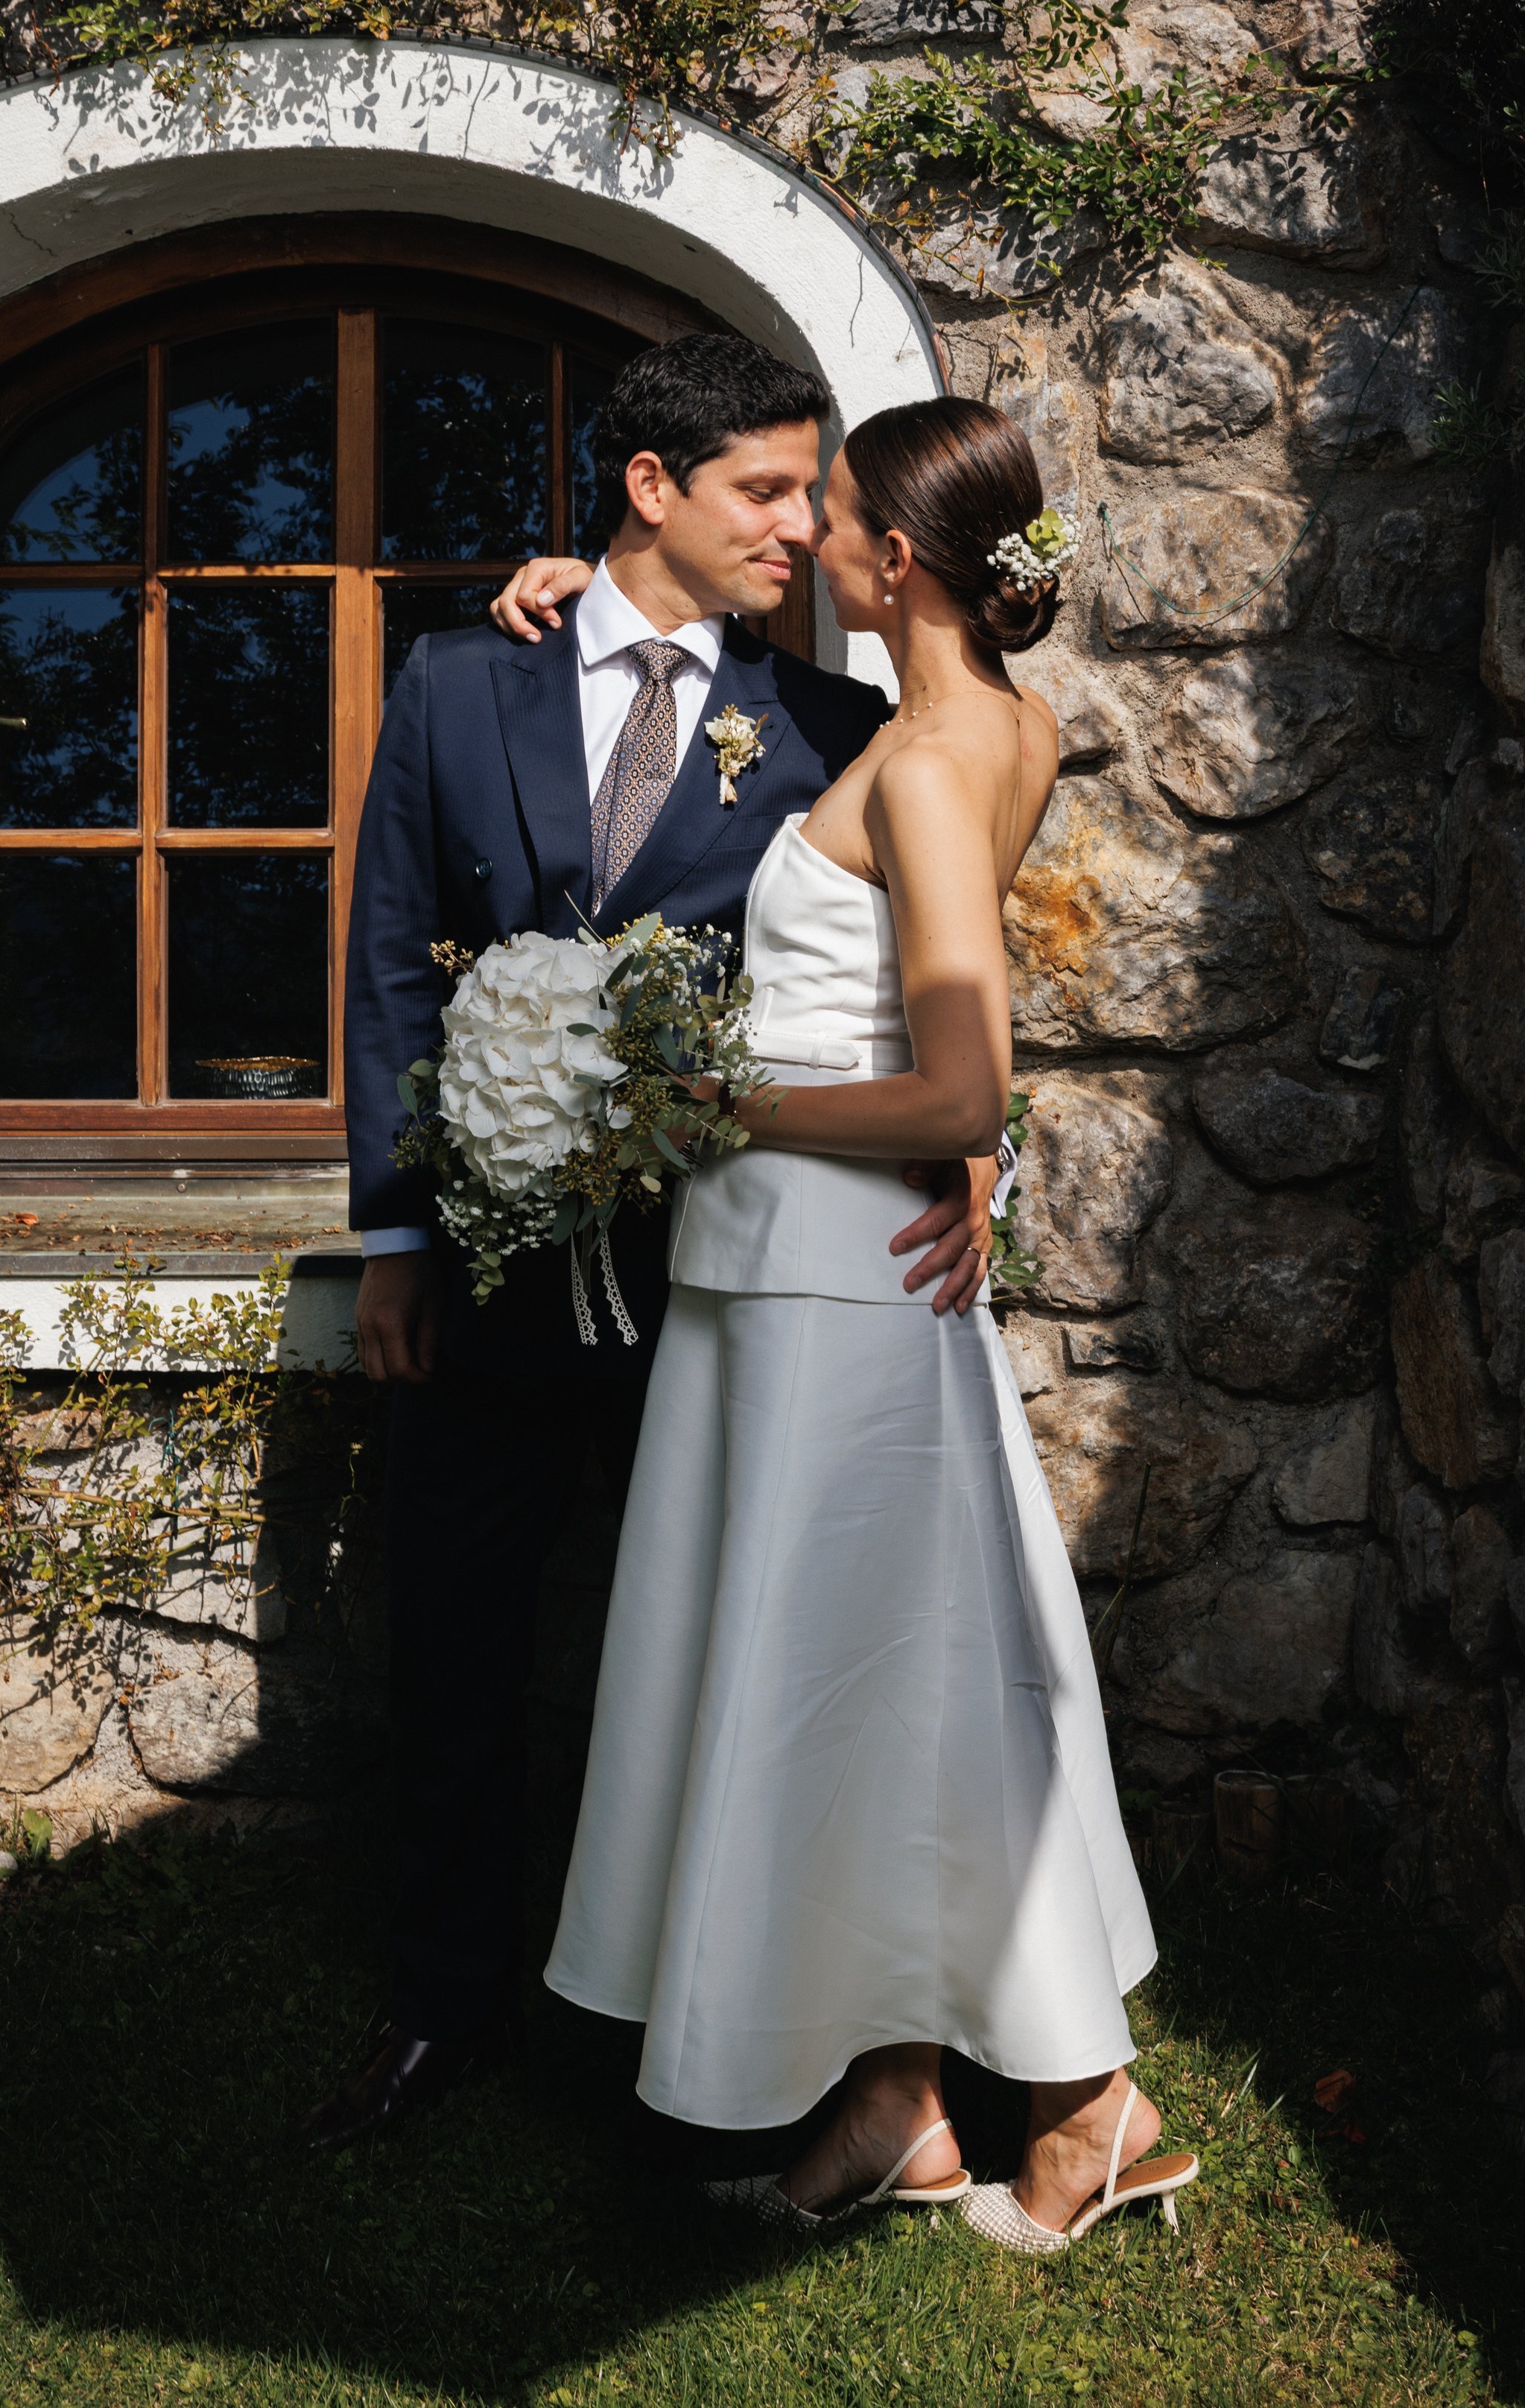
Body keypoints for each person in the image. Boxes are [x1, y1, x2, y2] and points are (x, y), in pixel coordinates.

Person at [517, 396, 1196, 2254]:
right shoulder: (1000, 725)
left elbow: (961, 1085)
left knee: (871, 1691)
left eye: (825, 514)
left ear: (894, 562)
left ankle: (1080, 2109)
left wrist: (716, 1107)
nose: (801, 531)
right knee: (870, 1698)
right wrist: (590, 589)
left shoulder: (916, 763)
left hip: (833, 1283)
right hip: (809, 1275)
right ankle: (895, 2106)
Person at [306, 339, 997, 2154]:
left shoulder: (843, 729)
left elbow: (924, 980)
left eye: (812, 494)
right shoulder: (461, 681)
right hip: (491, 1273)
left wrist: (966, 1150)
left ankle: (736, 2025)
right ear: (647, 489)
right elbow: (389, 962)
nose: (802, 525)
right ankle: (442, 2006)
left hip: (736, 1280)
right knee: (454, 1650)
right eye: (766, 490)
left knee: (729, 1653)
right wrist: (392, 1232)